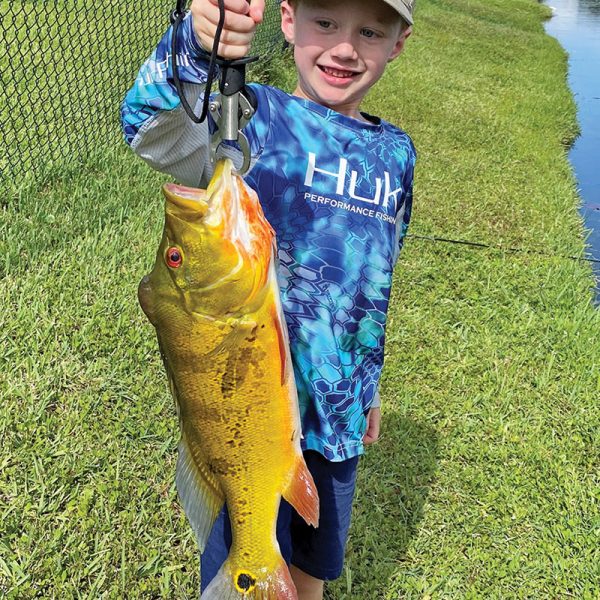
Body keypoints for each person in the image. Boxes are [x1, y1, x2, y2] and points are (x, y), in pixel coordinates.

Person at [121, 0, 416, 597]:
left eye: (370, 31)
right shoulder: (253, 118)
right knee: (249, 552)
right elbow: (150, 127)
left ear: (398, 43)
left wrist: (369, 386)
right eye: (325, 22)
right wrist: (197, 43)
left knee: (311, 568)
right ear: (288, 21)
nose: (343, 48)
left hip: (336, 408)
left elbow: (373, 281)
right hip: (246, 418)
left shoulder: (398, 156)